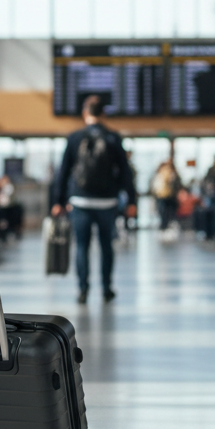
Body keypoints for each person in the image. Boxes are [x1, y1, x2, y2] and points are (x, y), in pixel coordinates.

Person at [50, 95, 137, 303]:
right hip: (107, 202)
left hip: (80, 202)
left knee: (82, 246)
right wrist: (132, 201)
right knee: (107, 245)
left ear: (84, 113)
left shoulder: (74, 138)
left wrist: (57, 201)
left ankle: (83, 290)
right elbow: (125, 172)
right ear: (103, 113)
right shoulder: (113, 137)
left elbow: (63, 172)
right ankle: (106, 288)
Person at [150, 159, 181, 231]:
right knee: (163, 212)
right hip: (162, 196)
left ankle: (166, 226)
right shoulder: (160, 174)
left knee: (167, 212)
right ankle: (164, 226)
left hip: (168, 196)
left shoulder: (171, 173)